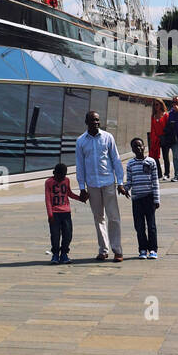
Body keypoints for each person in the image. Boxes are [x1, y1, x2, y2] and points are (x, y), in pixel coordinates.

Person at [75, 110, 127, 261]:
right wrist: (81, 188)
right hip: (92, 185)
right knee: (98, 218)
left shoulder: (107, 137)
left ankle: (117, 250)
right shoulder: (81, 141)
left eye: (98, 120)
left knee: (114, 217)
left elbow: (116, 160)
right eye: (93, 120)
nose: (96, 123)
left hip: (108, 182)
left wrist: (120, 182)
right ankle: (103, 249)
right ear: (86, 122)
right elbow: (80, 165)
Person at [124, 136, 161, 259]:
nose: (138, 148)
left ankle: (153, 249)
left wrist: (156, 199)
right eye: (135, 146)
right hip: (137, 199)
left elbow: (155, 181)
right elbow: (129, 181)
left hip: (149, 198)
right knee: (139, 226)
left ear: (144, 147)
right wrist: (124, 188)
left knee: (151, 226)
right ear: (132, 149)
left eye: (140, 145)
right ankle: (142, 249)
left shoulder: (151, 162)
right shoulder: (130, 163)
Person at [44, 162, 82, 265]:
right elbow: (48, 200)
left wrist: (80, 198)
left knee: (68, 234)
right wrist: (50, 214)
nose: (61, 177)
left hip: (66, 212)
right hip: (55, 213)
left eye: (63, 175)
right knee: (55, 235)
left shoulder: (67, 180)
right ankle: (55, 254)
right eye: (59, 175)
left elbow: (69, 193)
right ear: (54, 173)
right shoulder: (48, 182)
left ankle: (64, 253)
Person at [148, 99, 170, 179]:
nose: (156, 106)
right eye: (154, 105)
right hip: (156, 139)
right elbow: (152, 128)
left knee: (165, 157)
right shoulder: (153, 116)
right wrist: (152, 139)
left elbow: (168, 128)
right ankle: (159, 173)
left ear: (161, 105)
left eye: (157, 104)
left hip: (164, 138)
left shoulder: (166, 115)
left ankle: (167, 173)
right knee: (155, 156)